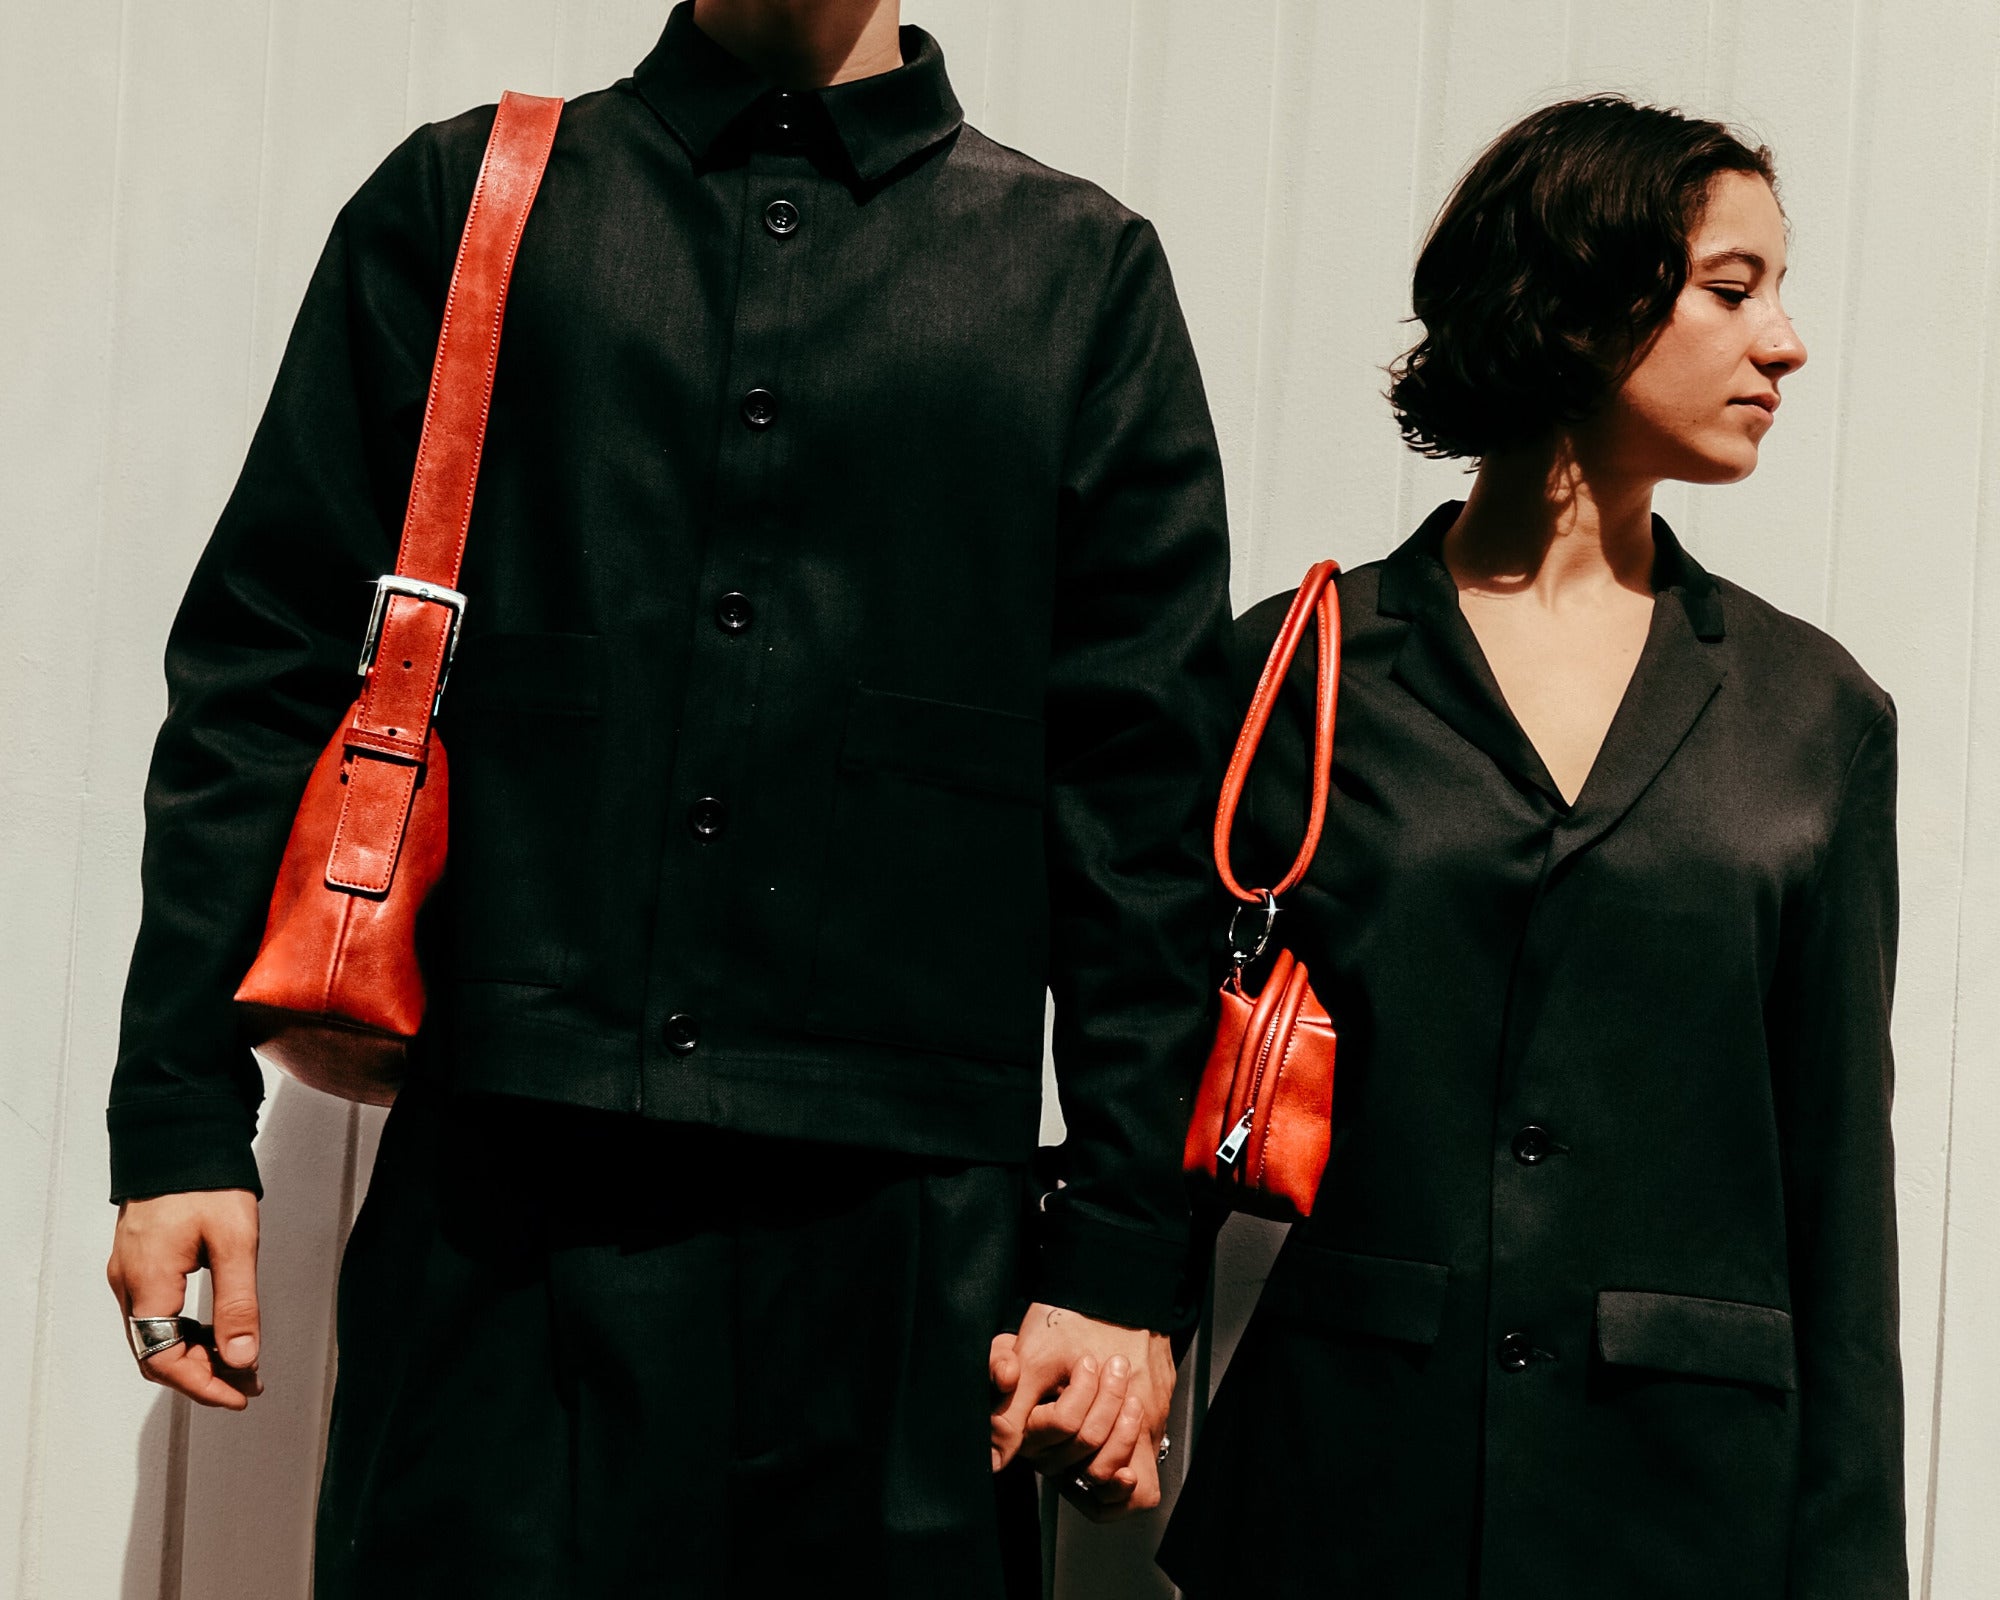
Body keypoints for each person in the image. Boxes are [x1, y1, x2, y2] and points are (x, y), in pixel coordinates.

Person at [100, 1, 1231, 1592]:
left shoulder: (1076, 272)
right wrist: (177, 1120)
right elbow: (261, 671)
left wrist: (1121, 1256)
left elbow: (1144, 802)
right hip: (501, 1220)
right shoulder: (464, 203)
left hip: (899, 1258)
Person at [1150, 98, 1905, 1596]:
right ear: (1579, 300)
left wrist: (1849, 1566)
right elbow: (1154, 1056)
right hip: (1349, 1491)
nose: (1787, 345)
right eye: (1733, 290)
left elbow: (1838, 1191)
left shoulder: (1815, 714)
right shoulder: (1301, 673)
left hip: (1685, 1511)